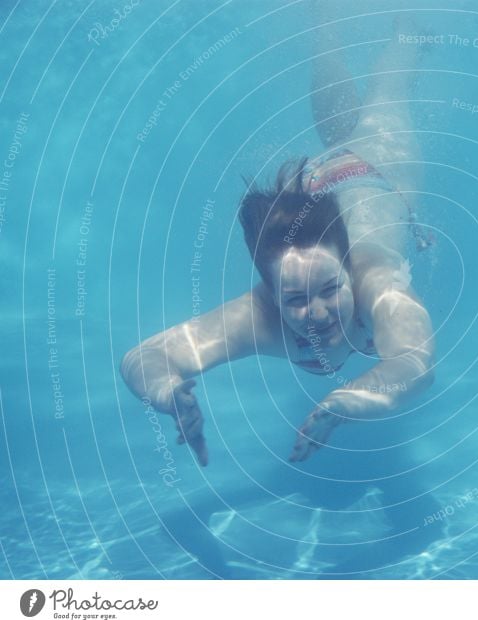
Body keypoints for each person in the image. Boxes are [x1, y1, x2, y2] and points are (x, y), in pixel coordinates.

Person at [119, 10, 441, 578]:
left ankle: (411, 25)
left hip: (381, 169)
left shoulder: (379, 286)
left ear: (348, 269)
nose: (314, 315)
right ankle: (325, 25)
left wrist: (355, 397)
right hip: (317, 188)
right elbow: (143, 357)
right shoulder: (259, 317)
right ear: (268, 291)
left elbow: (414, 360)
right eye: (293, 299)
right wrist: (167, 390)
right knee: (338, 127)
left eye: (329, 289)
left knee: (384, 100)